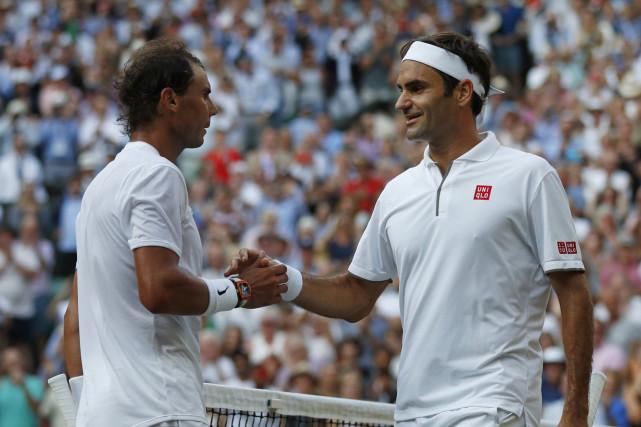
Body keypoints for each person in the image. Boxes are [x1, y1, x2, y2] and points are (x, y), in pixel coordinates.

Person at [228, 32, 593, 426]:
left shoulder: (530, 176)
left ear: (462, 92)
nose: (401, 102)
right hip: (413, 413)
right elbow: (356, 296)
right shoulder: (397, 191)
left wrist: (575, 410)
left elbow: (573, 292)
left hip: (493, 407)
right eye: (401, 89)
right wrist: (283, 280)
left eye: (417, 88)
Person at [63, 38, 288, 427]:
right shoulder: (157, 174)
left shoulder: (98, 188)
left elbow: (74, 321)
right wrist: (241, 290)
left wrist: (88, 410)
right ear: (170, 100)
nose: (213, 108)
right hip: (159, 410)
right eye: (204, 94)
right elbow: (158, 289)